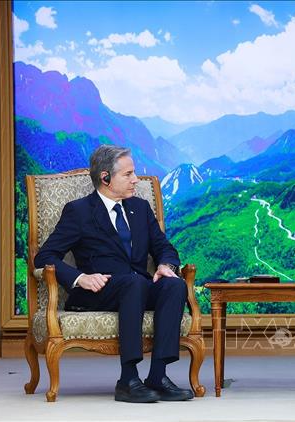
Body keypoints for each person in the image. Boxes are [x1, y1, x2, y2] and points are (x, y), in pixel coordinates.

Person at [34, 145, 194, 403]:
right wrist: (80, 278)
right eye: (128, 174)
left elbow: (164, 247)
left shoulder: (140, 208)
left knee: (174, 285)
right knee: (134, 283)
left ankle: (157, 377)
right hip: (98, 292)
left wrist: (166, 265)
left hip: (136, 287)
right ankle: (128, 380)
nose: (135, 180)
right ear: (105, 178)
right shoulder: (79, 211)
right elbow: (44, 257)